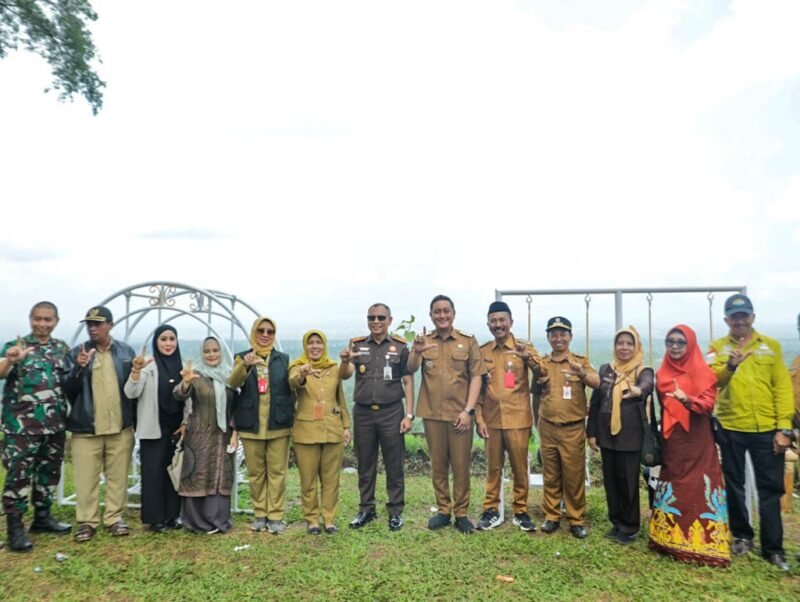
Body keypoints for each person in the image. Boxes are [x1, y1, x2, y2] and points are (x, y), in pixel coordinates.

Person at [708, 293, 794, 571]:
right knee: (734, 484)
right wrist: (730, 366)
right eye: (734, 316)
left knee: (770, 488)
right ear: (726, 320)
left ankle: (773, 548)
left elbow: (782, 388)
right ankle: (742, 536)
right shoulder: (717, 348)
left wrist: (785, 428)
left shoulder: (771, 346)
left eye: (744, 315)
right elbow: (712, 382)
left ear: (753, 317)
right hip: (731, 428)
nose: (740, 320)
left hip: (767, 430)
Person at [647, 325, 730, 567]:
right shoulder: (663, 373)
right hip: (673, 439)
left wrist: (688, 399)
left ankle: (704, 543)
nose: (674, 346)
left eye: (680, 342)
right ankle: (668, 539)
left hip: (698, 438)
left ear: (690, 345)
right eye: (670, 341)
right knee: (673, 481)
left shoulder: (703, 372)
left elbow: (707, 405)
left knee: (699, 484)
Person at [407, 294, 485, 533]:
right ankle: (443, 510)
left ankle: (461, 513)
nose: (442, 315)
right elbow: (409, 369)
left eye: (446, 311)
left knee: (461, 466)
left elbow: (477, 376)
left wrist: (469, 410)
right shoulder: (424, 341)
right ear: (431, 315)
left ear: (453, 313)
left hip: (460, 414)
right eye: (437, 312)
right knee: (438, 465)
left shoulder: (467, 341)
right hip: (432, 414)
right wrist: (417, 352)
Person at [0, 301, 71, 552]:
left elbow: (70, 380)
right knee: (18, 478)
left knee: (48, 474)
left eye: (47, 320)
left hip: (54, 425)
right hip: (21, 428)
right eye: (37, 319)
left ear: (56, 321)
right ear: (30, 319)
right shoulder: (15, 346)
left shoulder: (62, 349)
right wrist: (10, 361)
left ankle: (43, 518)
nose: (42, 324)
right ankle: (15, 529)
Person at [64, 306, 137, 542]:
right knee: (86, 479)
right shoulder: (77, 352)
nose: (93, 328)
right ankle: (87, 521)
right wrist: (78, 367)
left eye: (98, 323)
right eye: (89, 324)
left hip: (120, 427)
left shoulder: (125, 352)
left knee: (118, 476)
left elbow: (133, 388)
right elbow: (67, 389)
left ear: (110, 325)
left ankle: (115, 518)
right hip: (86, 429)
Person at [339, 303, 414, 532]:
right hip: (363, 413)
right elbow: (345, 375)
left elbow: (408, 380)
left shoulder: (400, 347)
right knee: (365, 463)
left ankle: (395, 512)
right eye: (372, 317)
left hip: (392, 412)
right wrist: (344, 360)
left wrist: (409, 414)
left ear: (390, 320)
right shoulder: (358, 345)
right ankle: (366, 509)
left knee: (394, 463)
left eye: (381, 317)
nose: (376, 321)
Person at [475, 301, 543, 532]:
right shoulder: (483, 352)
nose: (498, 325)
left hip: (518, 419)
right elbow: (478, 389)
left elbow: (543, 373)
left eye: (502, 320)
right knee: (493, 468)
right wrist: (479, 419)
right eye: (493, 321)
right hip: (491, 420)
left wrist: (528, 358)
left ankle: (521, 510)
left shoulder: (524, 348)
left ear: (510, 322)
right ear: (488, 324)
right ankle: (491, 509)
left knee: (519, 467)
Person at [534, 316, 599, 538]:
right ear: (548, 337)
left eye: (563, 333)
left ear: (570, 337)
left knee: (573, 475)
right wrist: (537, 421)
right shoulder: (543, 363)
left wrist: (581, 373)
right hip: (548, 426)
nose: (558, 338)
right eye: (554, 334)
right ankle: (552, 516)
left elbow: (596, 382)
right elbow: (535, 392)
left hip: (573, 428)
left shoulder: (579, 361)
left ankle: (575, 519)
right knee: (550, 474)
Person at [587, 325, 653, 544]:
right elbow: (595, 404)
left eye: (629, 343)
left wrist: (637, 390)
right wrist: (592, 433)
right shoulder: (606, 369)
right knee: (611, 482)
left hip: (630, 438)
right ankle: (616, 523)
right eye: (620, 343)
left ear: (636, 346)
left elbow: (648, 386)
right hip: (607, 436)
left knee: (628, 483)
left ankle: (630, 526)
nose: (624, 347)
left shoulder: (642, 371)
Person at [229, 316, 293, 534]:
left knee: (277, 472)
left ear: (274, 335)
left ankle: (275, 516)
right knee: (256, 473)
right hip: (251, 424)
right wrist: (246, 366)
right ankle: (260, 514)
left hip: (278, 424)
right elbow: (234, 382)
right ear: (254, 332)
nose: (265, 335)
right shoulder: (242, 357)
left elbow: (291, 385)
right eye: (261, 331)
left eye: (270, 332)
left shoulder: (283, 359)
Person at [123, 324, 186, 532]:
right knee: (153, 473)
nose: (168, 343)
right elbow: (131, 393)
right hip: (153, 428)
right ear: (156, 342)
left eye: (172, 339)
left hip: (176, 429)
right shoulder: (148, 366)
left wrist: (186, 423)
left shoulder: (183, 366)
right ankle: (154, 518)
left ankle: (172, 515)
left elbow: (189, 400)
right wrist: (135, 371)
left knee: (173, 472)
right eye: (163, 339)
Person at [289, 330, 352, 535]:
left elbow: (339, 397)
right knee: (308, 479)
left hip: (332, 429)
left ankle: (329, 518)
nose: (315, 346)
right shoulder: (297, 367)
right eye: (311, 343)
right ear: (305, 346)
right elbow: (292, 382)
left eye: (318, 343)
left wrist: (346, 425)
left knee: (331, 479)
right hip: (306, 432)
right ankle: (312, 520)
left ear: (324, 346)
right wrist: (302, 374)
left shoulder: (333, 368)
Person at [173, 337, 236, 534]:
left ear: (222, 353)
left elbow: (236, 406)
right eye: (207, 351)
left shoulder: (230, 377)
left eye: (215, 350)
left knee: (219, 476)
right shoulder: (196, 375)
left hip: (223, 436)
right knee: (198, 475)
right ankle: (196, 522)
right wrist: (185, 382)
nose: (211, 355)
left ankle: (218, 520)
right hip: (199, 435)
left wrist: (235, 431)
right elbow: (179, 394)